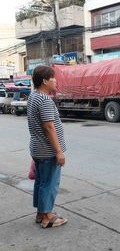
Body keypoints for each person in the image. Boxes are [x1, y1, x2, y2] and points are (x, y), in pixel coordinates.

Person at [27, 65, 68, 228]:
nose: (55, 81)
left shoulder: (33, 96)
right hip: (47, 150)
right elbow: (49, 126)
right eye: (53, 78)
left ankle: (40, 213)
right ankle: (47, 217)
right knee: (49, 183)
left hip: (37, 147)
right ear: (45, 81)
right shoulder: (44, 99)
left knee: (41, 181)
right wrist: (59, 151)